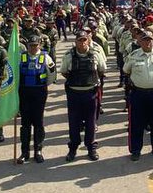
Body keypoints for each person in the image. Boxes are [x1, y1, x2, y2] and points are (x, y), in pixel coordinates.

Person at [122, 27, 153, 161]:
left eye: (150, 40)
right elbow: (126, 70)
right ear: (140, 42)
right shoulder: (134, 55)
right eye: (144, 40)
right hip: (139, 94)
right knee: (136, 124)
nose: (147, 42)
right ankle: (135, 150)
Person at [60, 29, 107, 162]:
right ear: (75, 42)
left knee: (91, 123)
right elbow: (64, 71)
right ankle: (73, 148)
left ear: (88, 41)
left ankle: (91, 147)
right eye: (79, 40)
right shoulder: (69, 55)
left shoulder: (96, 54)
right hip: (74, 94)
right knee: (73, 123)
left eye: (84, 40)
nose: (82, 43)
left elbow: (102, 70)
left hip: (90, 94)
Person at [17, 34, 55, 164]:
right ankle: (24, 152)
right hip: (24, 92)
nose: (33, 48)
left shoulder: (46, 58)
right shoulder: (21, 57)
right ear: (27, 46)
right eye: (31, 45)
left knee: (38, 123)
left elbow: (52, 75)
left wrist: (42, 86)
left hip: (39, 92)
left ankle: (38, 151)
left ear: (39, 45)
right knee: (25, 124)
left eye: (35, 45)